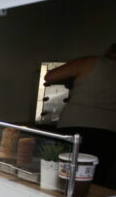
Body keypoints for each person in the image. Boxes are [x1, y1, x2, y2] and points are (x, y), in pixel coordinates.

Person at [45, 43, 116, 189]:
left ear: (109, 49)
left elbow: (50, 76)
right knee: (95, 178)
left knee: (63, 173)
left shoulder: (90, 62)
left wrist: (70, 82)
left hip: (75, 123)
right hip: (109, 129)